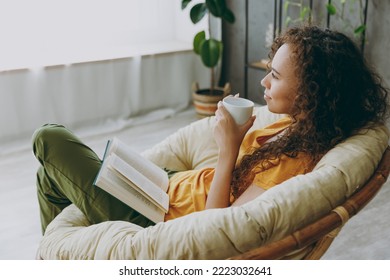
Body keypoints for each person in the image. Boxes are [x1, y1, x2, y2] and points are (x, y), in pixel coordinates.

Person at [32, 25, 389, 234]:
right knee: (48, 178)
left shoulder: (294, 163)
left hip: (157, 216)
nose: (263, 81)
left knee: (49, 138)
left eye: (275, 76)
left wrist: (228, 148)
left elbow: (217, 228)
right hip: (171, 186)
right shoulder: (297, 126)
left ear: (313, 93)